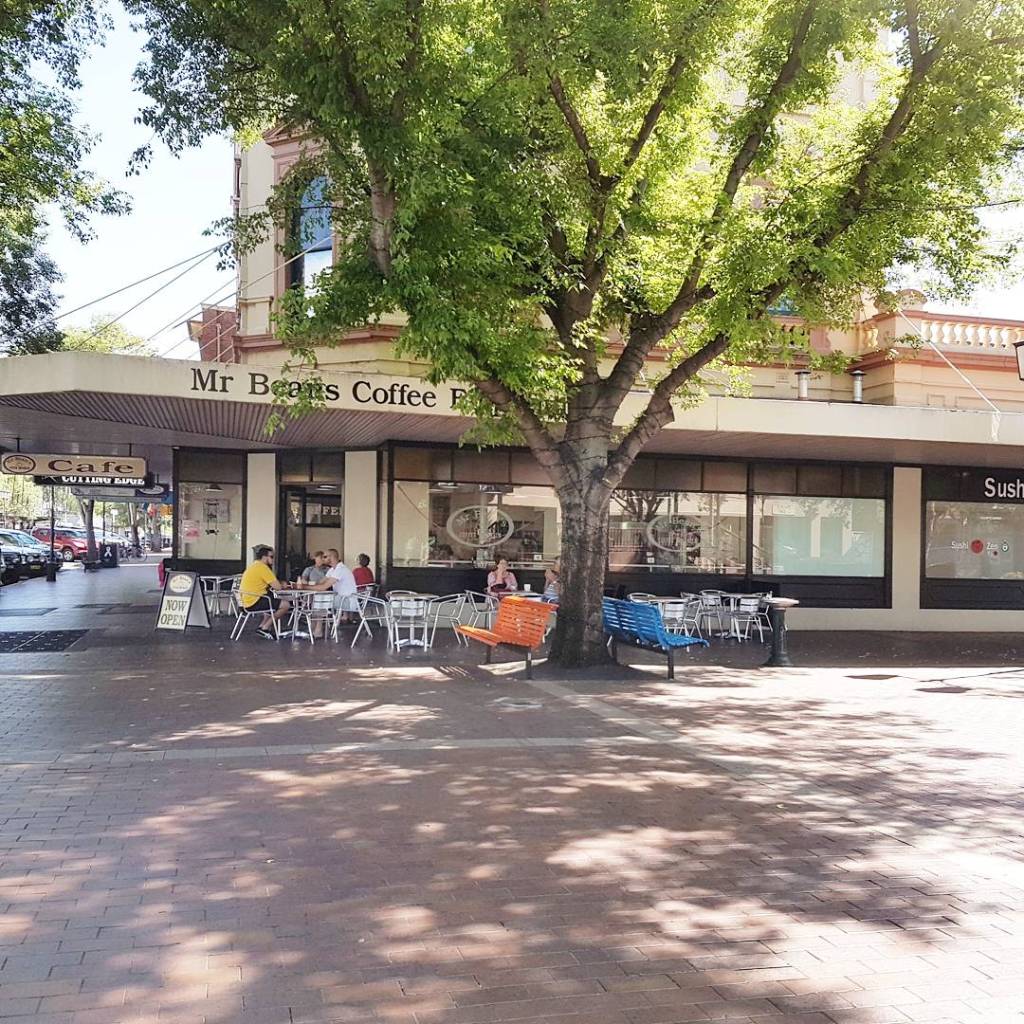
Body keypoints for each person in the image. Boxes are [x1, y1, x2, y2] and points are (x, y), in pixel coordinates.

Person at [238, 544, 291, 640]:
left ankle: (262, 627)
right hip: (254, 601)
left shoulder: (254, 566)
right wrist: (282, 584)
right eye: (271, 557)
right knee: (286, 605)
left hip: (247, 601)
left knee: (272, 600)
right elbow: (278, 587)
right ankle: (266, 627)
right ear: (264, 557)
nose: (273, 559)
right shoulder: (263, 568)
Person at [309, 548, 359, 624]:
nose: (322, 559)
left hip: (347, 601)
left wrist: (304, 587)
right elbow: (321, 582)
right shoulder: (333, 569)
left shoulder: (340, 569)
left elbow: (323, 587)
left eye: (325, 557)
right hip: (341, 598)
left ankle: (317, 629)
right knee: (319, 598)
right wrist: (308, 585)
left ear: (331, 557)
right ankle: (315, 628)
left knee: (321, 599)